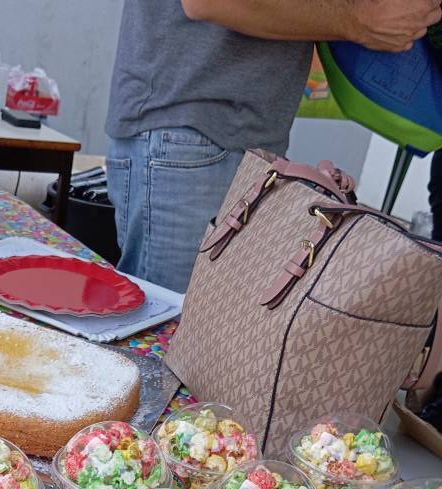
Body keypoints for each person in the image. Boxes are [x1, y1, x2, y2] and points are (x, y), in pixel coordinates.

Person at [106, 0, 442, 293]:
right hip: (191, 138)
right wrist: (360, 19)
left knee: (203, 337)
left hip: (229, 141)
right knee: (169, 336)